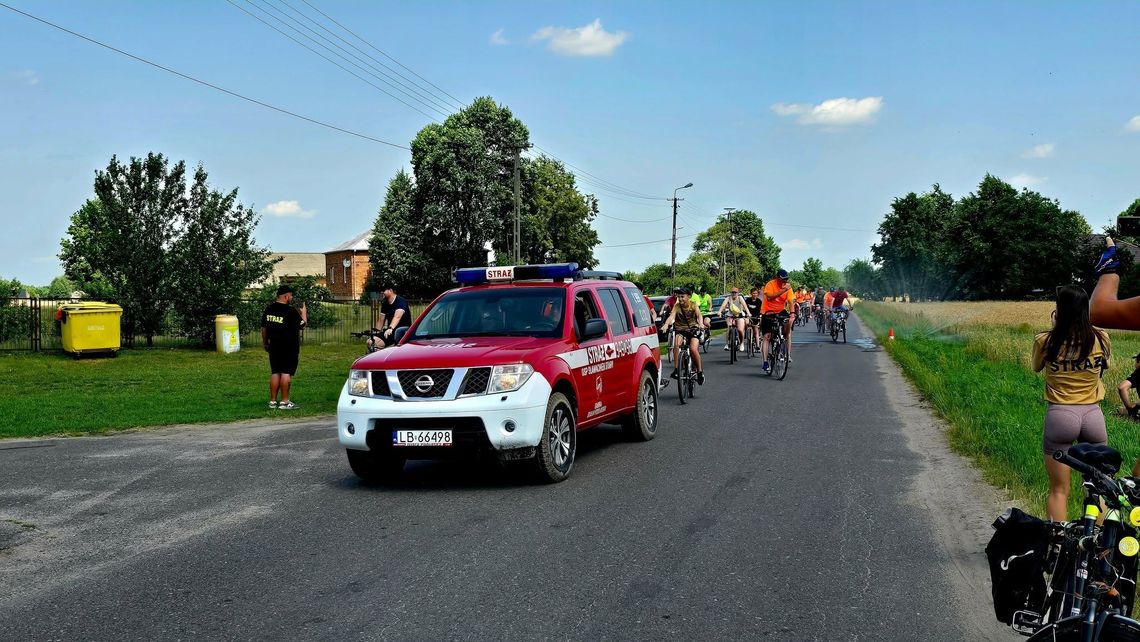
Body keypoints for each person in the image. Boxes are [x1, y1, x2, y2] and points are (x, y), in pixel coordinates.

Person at [1032, 285, 1111, 522]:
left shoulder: (1046, 340)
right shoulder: (1101, 337)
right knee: (1097, 487)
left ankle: (1057, 548)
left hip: (1061, 415)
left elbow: (1037, 367)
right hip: (1093, 416)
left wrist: (1057, 329)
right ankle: (1100, 548)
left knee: (1059, 490)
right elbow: (1103, 368)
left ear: (1059, 311)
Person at [261, 284, 307, 410]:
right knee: (286, 372)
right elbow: (302, 325)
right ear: (286, 296)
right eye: (291, 296)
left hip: (274, 345)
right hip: (288, 347)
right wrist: (304, 313)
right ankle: (285, 402)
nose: (291, 298)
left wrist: (266, 343)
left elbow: (264, 329)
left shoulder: (269, 309)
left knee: (275, 372)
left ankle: (272, 401)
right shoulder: (290, 311)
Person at [662, 287, 705, 384]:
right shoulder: (677, 306)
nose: (680, 299)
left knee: (693, 349)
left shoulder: (693, 305)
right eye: (679, 297)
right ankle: (677, 370)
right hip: (680, 330)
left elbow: (699, 315)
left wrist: (701, 324)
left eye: (683, 297)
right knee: (676, 345)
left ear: (688, 296)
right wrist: (666, 324)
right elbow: (671, 316)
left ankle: (699, 371)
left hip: (693, 329)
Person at [759, 269, 794, 372]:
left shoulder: (788, 286)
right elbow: (769, 297)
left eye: (786, 279)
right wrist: (783, 290)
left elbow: (791, 301)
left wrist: (792, 314)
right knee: (767, 336)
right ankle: (765, 362)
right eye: (783, 279)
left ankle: (786, 348)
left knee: (788, 323)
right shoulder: (770, 284)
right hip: (768, 311)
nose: (785, 281)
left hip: (780, 310)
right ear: (777, 278)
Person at [718, 287, 751, 352]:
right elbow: (723, 306)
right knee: (729, 327)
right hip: (730, 315)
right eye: (732, 292)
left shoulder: (740, 298)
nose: (734, 294)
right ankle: (727, 344)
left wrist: (748, 313)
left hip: (739, 315)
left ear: (737, 293)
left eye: (735, 292)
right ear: (731, 293)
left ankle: (741, 343)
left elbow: (745, 306)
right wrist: (719, 311)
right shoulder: (728, 298)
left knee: (740, 330)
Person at [1116, 352, 1140, 419]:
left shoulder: (1138, 373)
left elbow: (1122, 388)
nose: (1135, 363)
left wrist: (1130, 408)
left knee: (1120, 412)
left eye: (1136, 361)